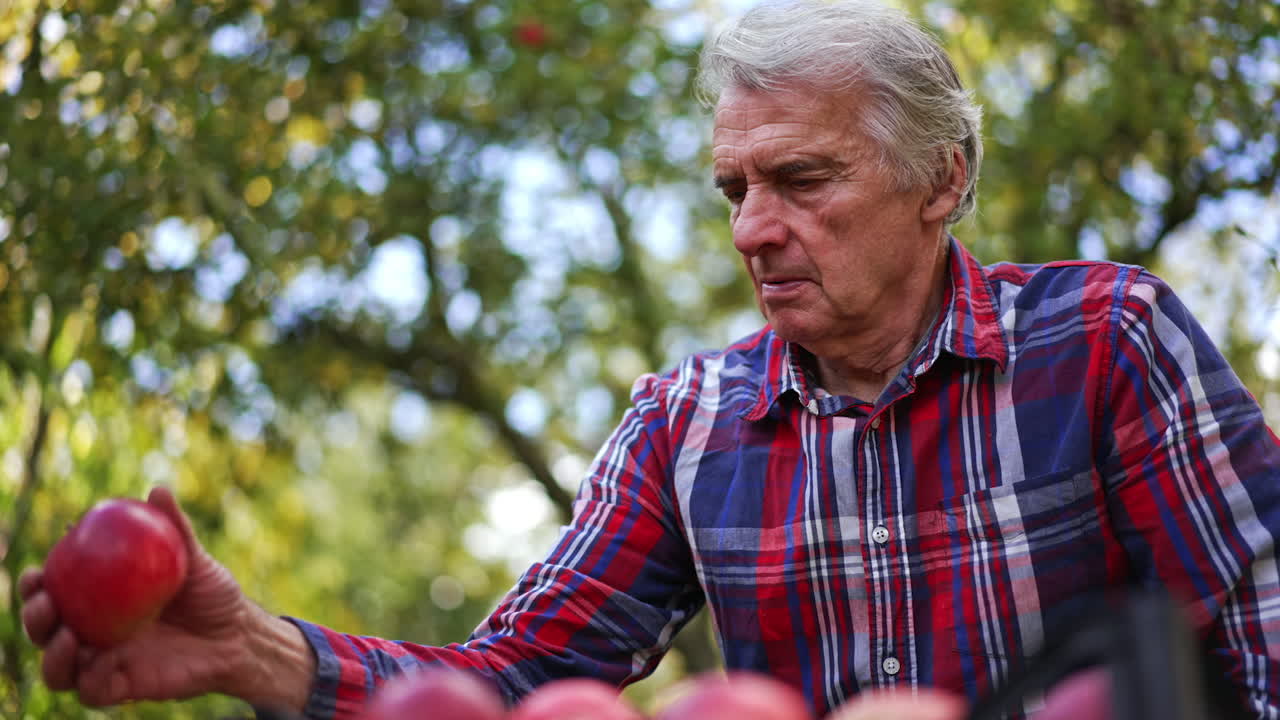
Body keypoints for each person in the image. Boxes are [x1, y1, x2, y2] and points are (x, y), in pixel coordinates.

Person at [21, 0, 1280, 717]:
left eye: (800, 179)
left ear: (940, 179)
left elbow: (1267, 636)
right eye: (732, 187)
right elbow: (514, 681)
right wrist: (253, 653)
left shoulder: (1107, 344)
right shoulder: (690, 424)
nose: (752, 230)